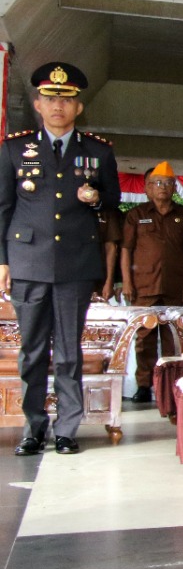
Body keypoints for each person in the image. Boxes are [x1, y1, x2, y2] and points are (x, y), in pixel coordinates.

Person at [1, 62, 121, 455]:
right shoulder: (14, 148)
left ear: (78, 108)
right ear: (37, 104)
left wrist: (97, 198)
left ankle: (67, 427)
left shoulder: (98, 151)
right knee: (32, 349)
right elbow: (3, 208)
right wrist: (3, 261)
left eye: (65, 101)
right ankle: (33, 427)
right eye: (50, 99)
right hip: (28, 261)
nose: (57, 107)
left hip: (75, 262)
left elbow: (114, 200)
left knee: (69, 349)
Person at [120, 161, 183, 402]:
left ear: (174, 187)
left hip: (175, 286)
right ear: (147, 188)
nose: (162, 187)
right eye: (156, 183)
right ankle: (143, 385)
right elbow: (126, 250)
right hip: (143, 285)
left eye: (167, 183)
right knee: (144, 338)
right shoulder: (136, 215)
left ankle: (168, 385)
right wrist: (126, 282)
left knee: (173, 338)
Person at [96, 204, 123, 302]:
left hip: (101, 277)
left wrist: (111, 281)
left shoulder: (108, 212)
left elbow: (112, 248)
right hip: (73, 279)